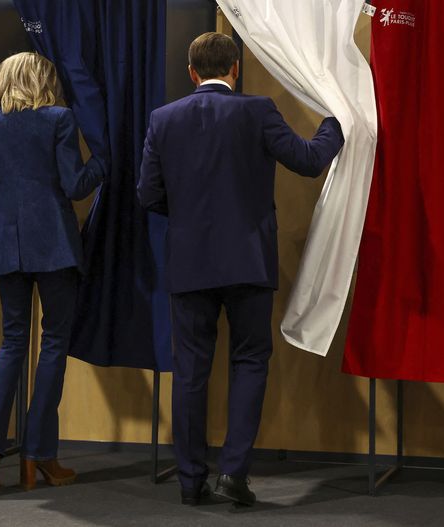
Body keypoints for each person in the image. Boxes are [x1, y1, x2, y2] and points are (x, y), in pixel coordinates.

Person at [137, 32, 344, 506]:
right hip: (249, 260)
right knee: (249, 361)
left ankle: (190, 482)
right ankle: (233, 473)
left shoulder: (163, 119)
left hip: (189, 263)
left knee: (190, 372)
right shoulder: (258, 111)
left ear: (192, 73)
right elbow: (310, 160)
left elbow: (148, 194)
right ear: (236, 69)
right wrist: (340, 119)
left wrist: (190, 218)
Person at [0, 52, 105, 491]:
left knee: (11, 344)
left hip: (5, 245)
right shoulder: (59, 120)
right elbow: (74, 185)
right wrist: (103, 163)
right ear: (44, 80)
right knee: (53, 345)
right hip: (55, 246)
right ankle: (38, 457)